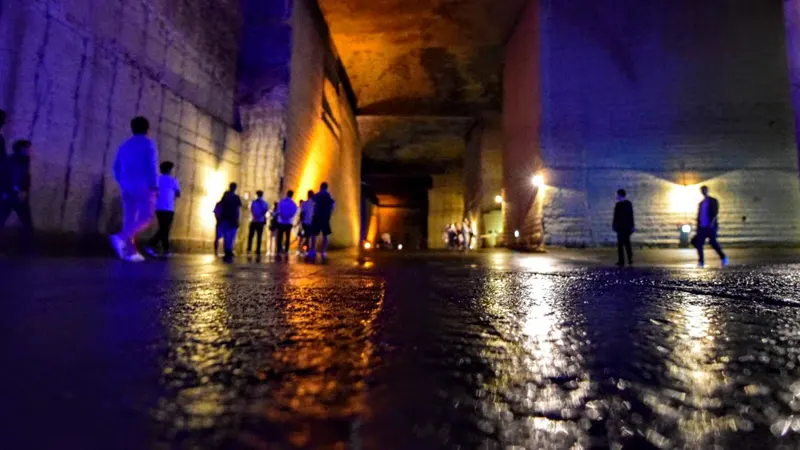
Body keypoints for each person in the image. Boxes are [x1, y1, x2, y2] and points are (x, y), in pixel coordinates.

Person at [110, 117, 159, 262]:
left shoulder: (124, 145)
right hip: (143, 185)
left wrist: (122, 181)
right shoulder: (148, 144)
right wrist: (154, 185)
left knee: (130, 218)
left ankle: (130, 252)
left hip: (126, 186)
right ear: (147, 129)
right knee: (147, 217)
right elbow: (151, 165)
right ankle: (121, 237)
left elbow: (116, 167)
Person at [0, 140, 34, 250]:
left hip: (17, 197)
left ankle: (27, 249)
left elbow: (25, 178)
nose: (31, 151)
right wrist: (17, 191)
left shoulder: (25, 160)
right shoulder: (12, 161)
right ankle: (28, 249)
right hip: (10, 197)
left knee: (26, 224)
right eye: (28, 149)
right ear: (21, 150)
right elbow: (8, 178)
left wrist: (24, 191)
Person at [145, 161, 180, 257]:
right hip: (169, 208)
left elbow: (151, 191)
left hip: (159, 207)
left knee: (163, 229)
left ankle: (165, 249)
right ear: (169, 170)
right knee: (165, 229)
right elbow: (178, 194)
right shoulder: (173, 181)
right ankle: (151, 245)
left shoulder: (157, 180)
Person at [694, 186, 728, 268]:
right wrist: (698, 227)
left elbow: (715, 212)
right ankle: (701, 261)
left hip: (710, 226)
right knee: (699, 244)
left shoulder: (713, 200)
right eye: (702, 191)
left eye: (705, 190)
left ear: (707, 191)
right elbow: (699, 215)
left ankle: (723, 257)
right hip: (702, 227)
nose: (704, 192)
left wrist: (712, 223)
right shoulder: (701, 203)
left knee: (713, 242)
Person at [309, 182, 335, 261]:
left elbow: (313, 201)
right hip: (325, 217)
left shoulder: (318, 195)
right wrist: (329, 214)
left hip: (317, 216)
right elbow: (333, 205)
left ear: (321, 187)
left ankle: (313, 250)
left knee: (314, 234)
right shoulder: (329, 196)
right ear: (326, 187)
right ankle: (323, 251)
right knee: (325, 235)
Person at [218, 183, 242, 263]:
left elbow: (221, 206)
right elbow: (237, 210)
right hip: (232, 218)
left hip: (225, 218)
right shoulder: (236, 198)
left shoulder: (225, 196)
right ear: (235, 188)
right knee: (232, 235)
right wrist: (238, 219)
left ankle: (226, 250)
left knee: (226, 235)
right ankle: (229, 249)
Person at [612, 189, 635, 266]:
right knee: (620, 244)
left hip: (626, 227)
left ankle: (629, 259)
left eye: (617, 194)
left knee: (627, 243)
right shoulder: (618, 205)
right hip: (620, 227)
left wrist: (632, 225)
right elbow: (615, 216)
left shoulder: (627, 204)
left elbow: (631, 215)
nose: (616, 196)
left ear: (621, 195)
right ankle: (621, 260)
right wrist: (614, 224)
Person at [247, 190, 269, 259]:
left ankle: (249, 249)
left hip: (253, 220)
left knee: (251, 236)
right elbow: (266, 210)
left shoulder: (253, 202)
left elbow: (250, 209)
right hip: (260, 221)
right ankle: (258, 250)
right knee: (259, 236)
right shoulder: (264, 203)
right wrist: (260, 215)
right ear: (262, 195)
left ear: (256, 195)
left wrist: (255, 215)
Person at [276, 190, 298, 258]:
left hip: (281, 222)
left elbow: (278, 210)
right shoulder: (293, 204)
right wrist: (288, 216)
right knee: (287, 237)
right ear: (292, 195)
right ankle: (286, 250)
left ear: (287, 194)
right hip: (288, 222)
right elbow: (293, 212)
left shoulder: (281, 202)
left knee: (280, 236)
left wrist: (282, 216)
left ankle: (279, 249)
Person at [299, 190, 315, 255]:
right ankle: (308, 249)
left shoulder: (304, 204)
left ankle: (305, 249)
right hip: (311, 223)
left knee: (306, 237)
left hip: (305, 223)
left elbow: (302, 214)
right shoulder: (314, 204)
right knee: (309, 237)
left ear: (307, 195)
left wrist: (301, 222)